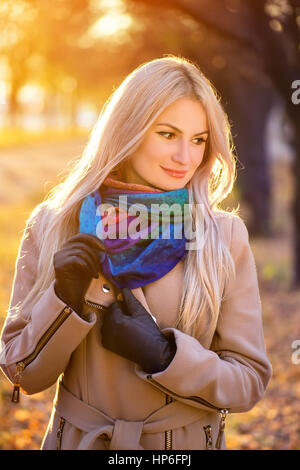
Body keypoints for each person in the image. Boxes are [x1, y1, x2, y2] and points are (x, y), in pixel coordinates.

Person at [0, 55, 272, 450]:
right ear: (129, 130)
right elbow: (22, 374)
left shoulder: (222, 236)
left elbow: (247, 382)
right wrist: (62, 302)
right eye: (167, 134)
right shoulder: (55, 224)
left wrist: (166, 357)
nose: (186, 157)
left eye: (198, 139)